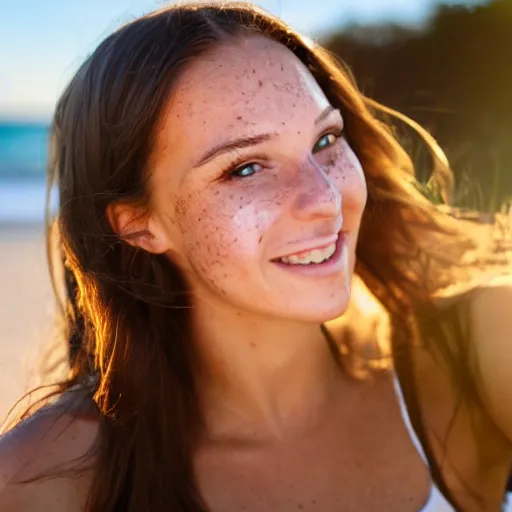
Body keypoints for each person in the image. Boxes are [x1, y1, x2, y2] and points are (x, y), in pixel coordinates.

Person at [0, 2, 511, 511]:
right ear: (139, 223)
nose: (326, 198)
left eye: (326, 139)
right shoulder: (43, 480)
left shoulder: (476, 354)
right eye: (245, 168)